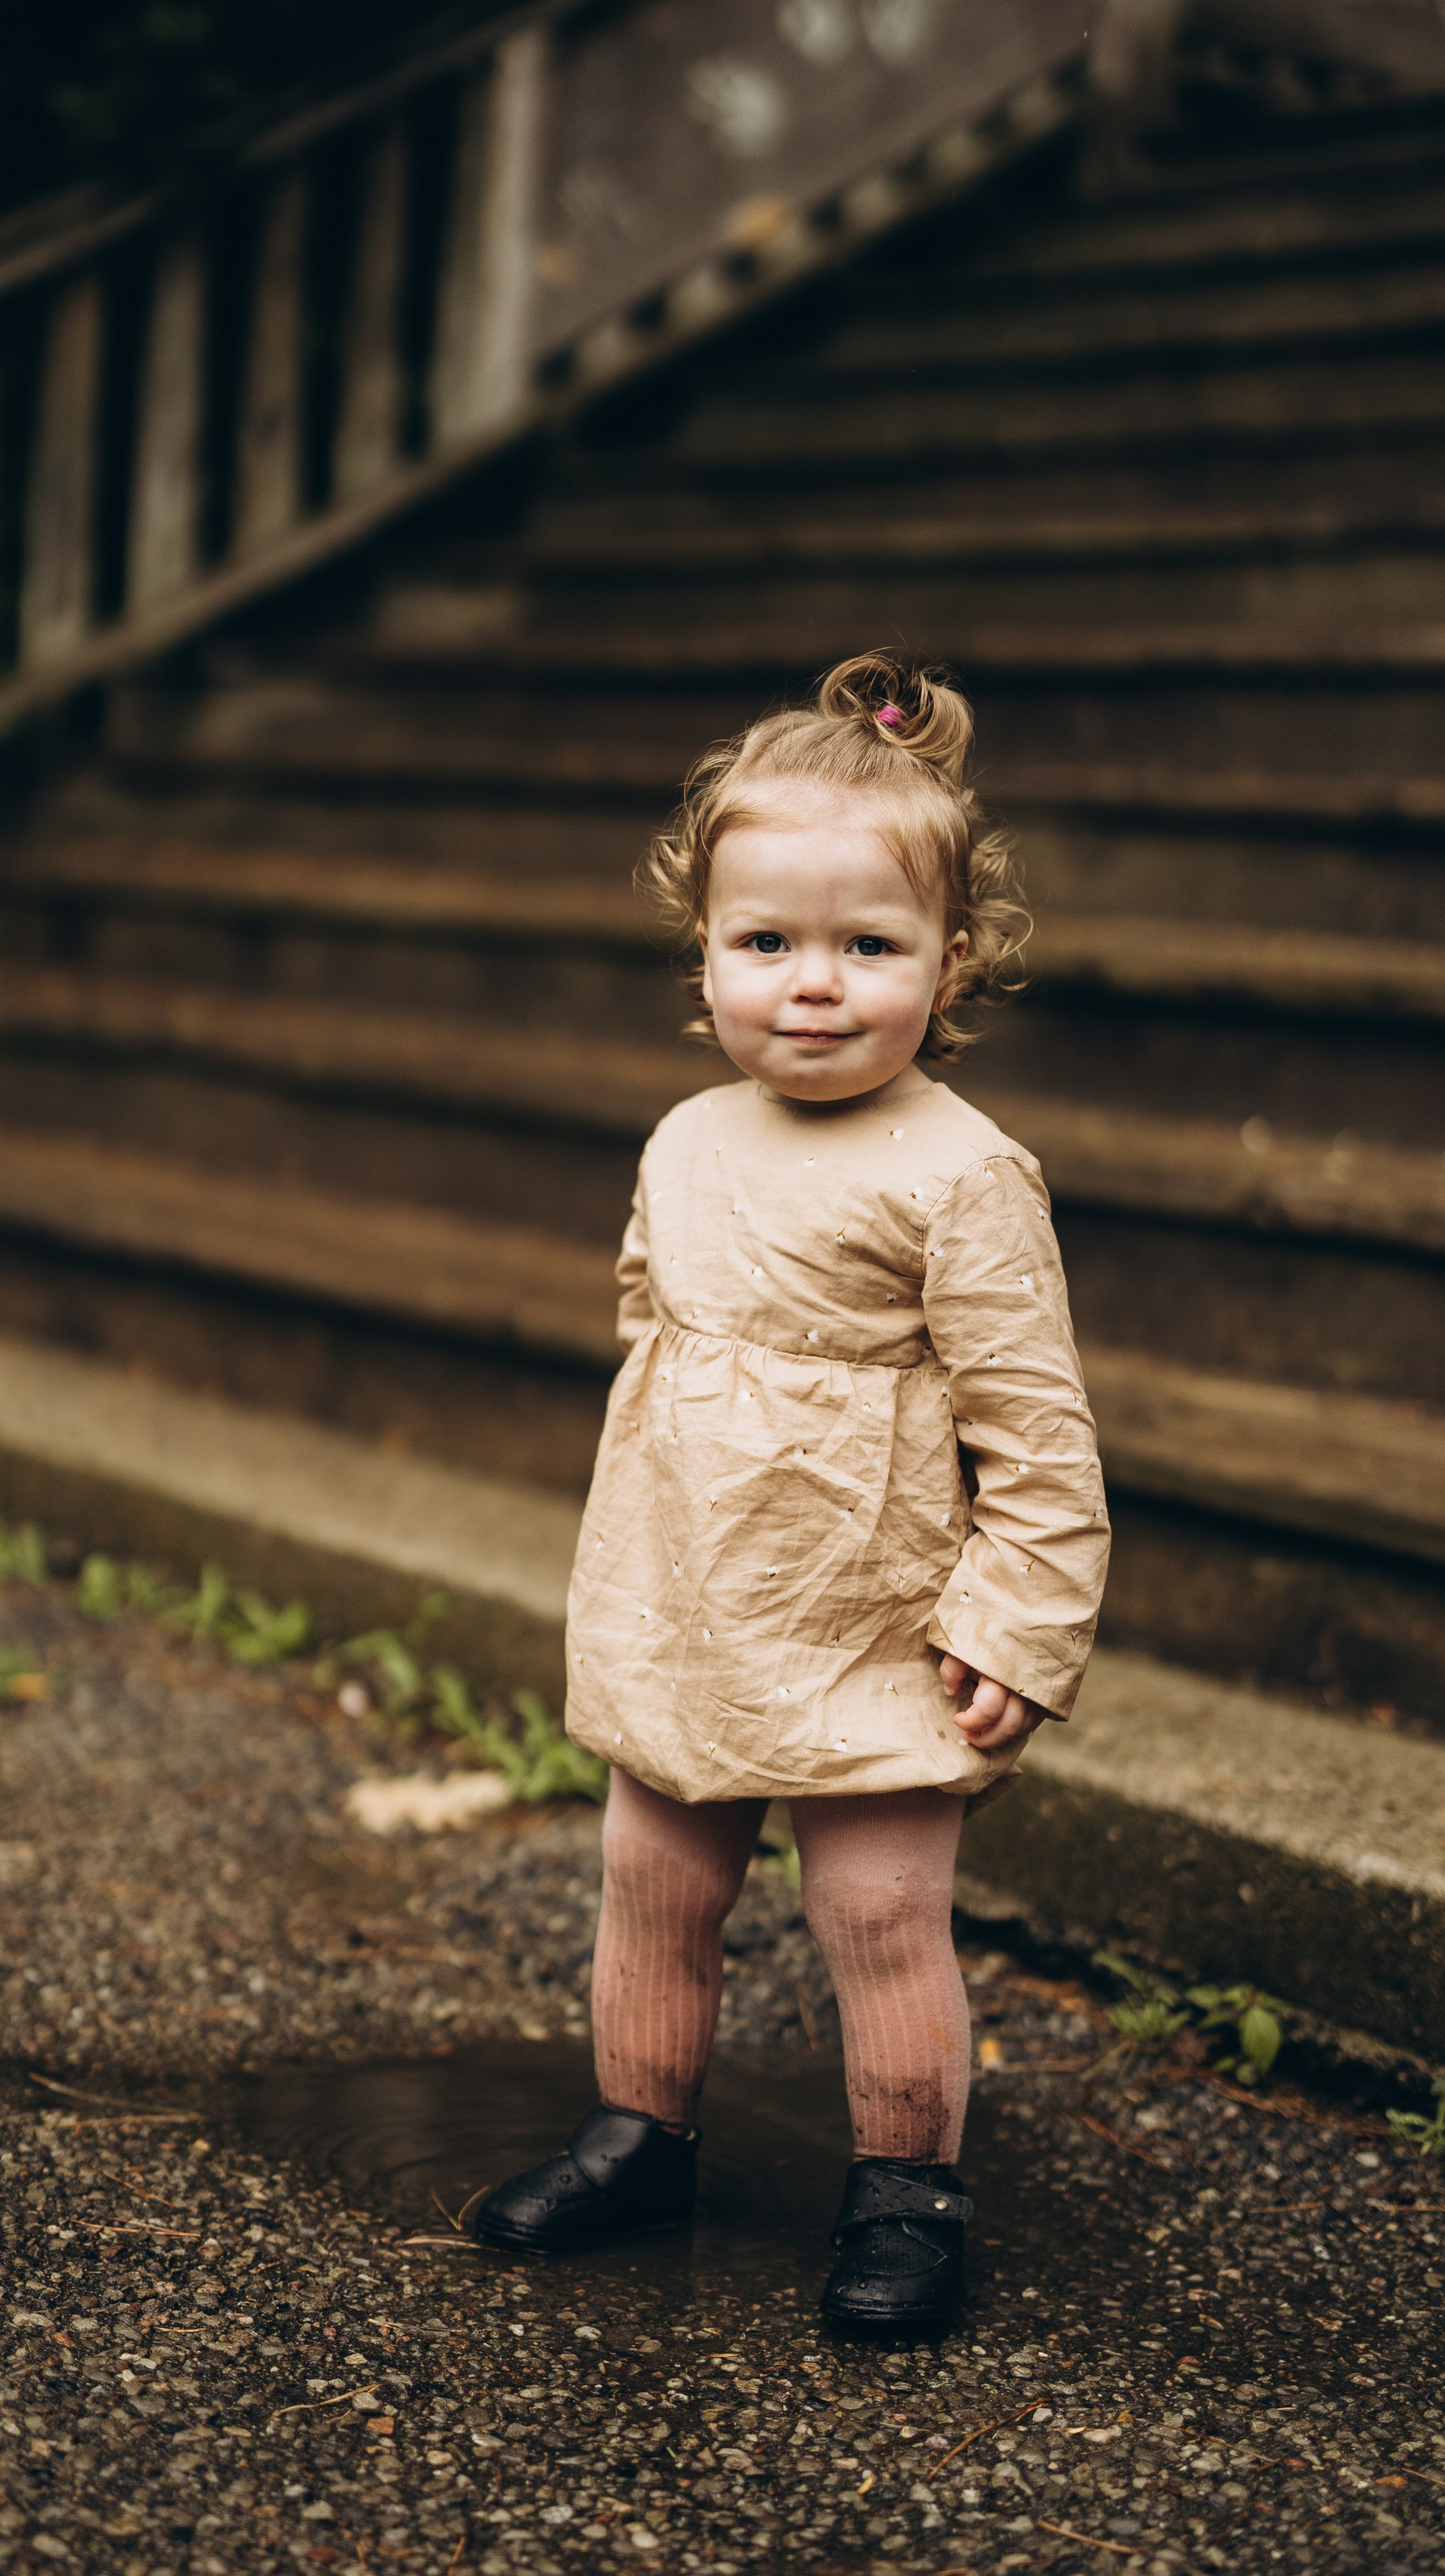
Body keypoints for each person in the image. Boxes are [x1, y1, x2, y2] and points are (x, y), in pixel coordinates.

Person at [477, 653, 1110, 2341]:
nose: (810, 987)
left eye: (866, 946)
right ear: (703, 956)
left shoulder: (961, 1173)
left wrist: (1018, 1619)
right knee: (654, 1877)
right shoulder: (686, 1140)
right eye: (764, 943)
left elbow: (1036, 1432)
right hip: (690, 1590)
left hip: (871, 1609)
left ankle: (905, 2197)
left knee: (876, 1906)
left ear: (948, 961)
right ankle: (639, 2133)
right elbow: (649, 1328)